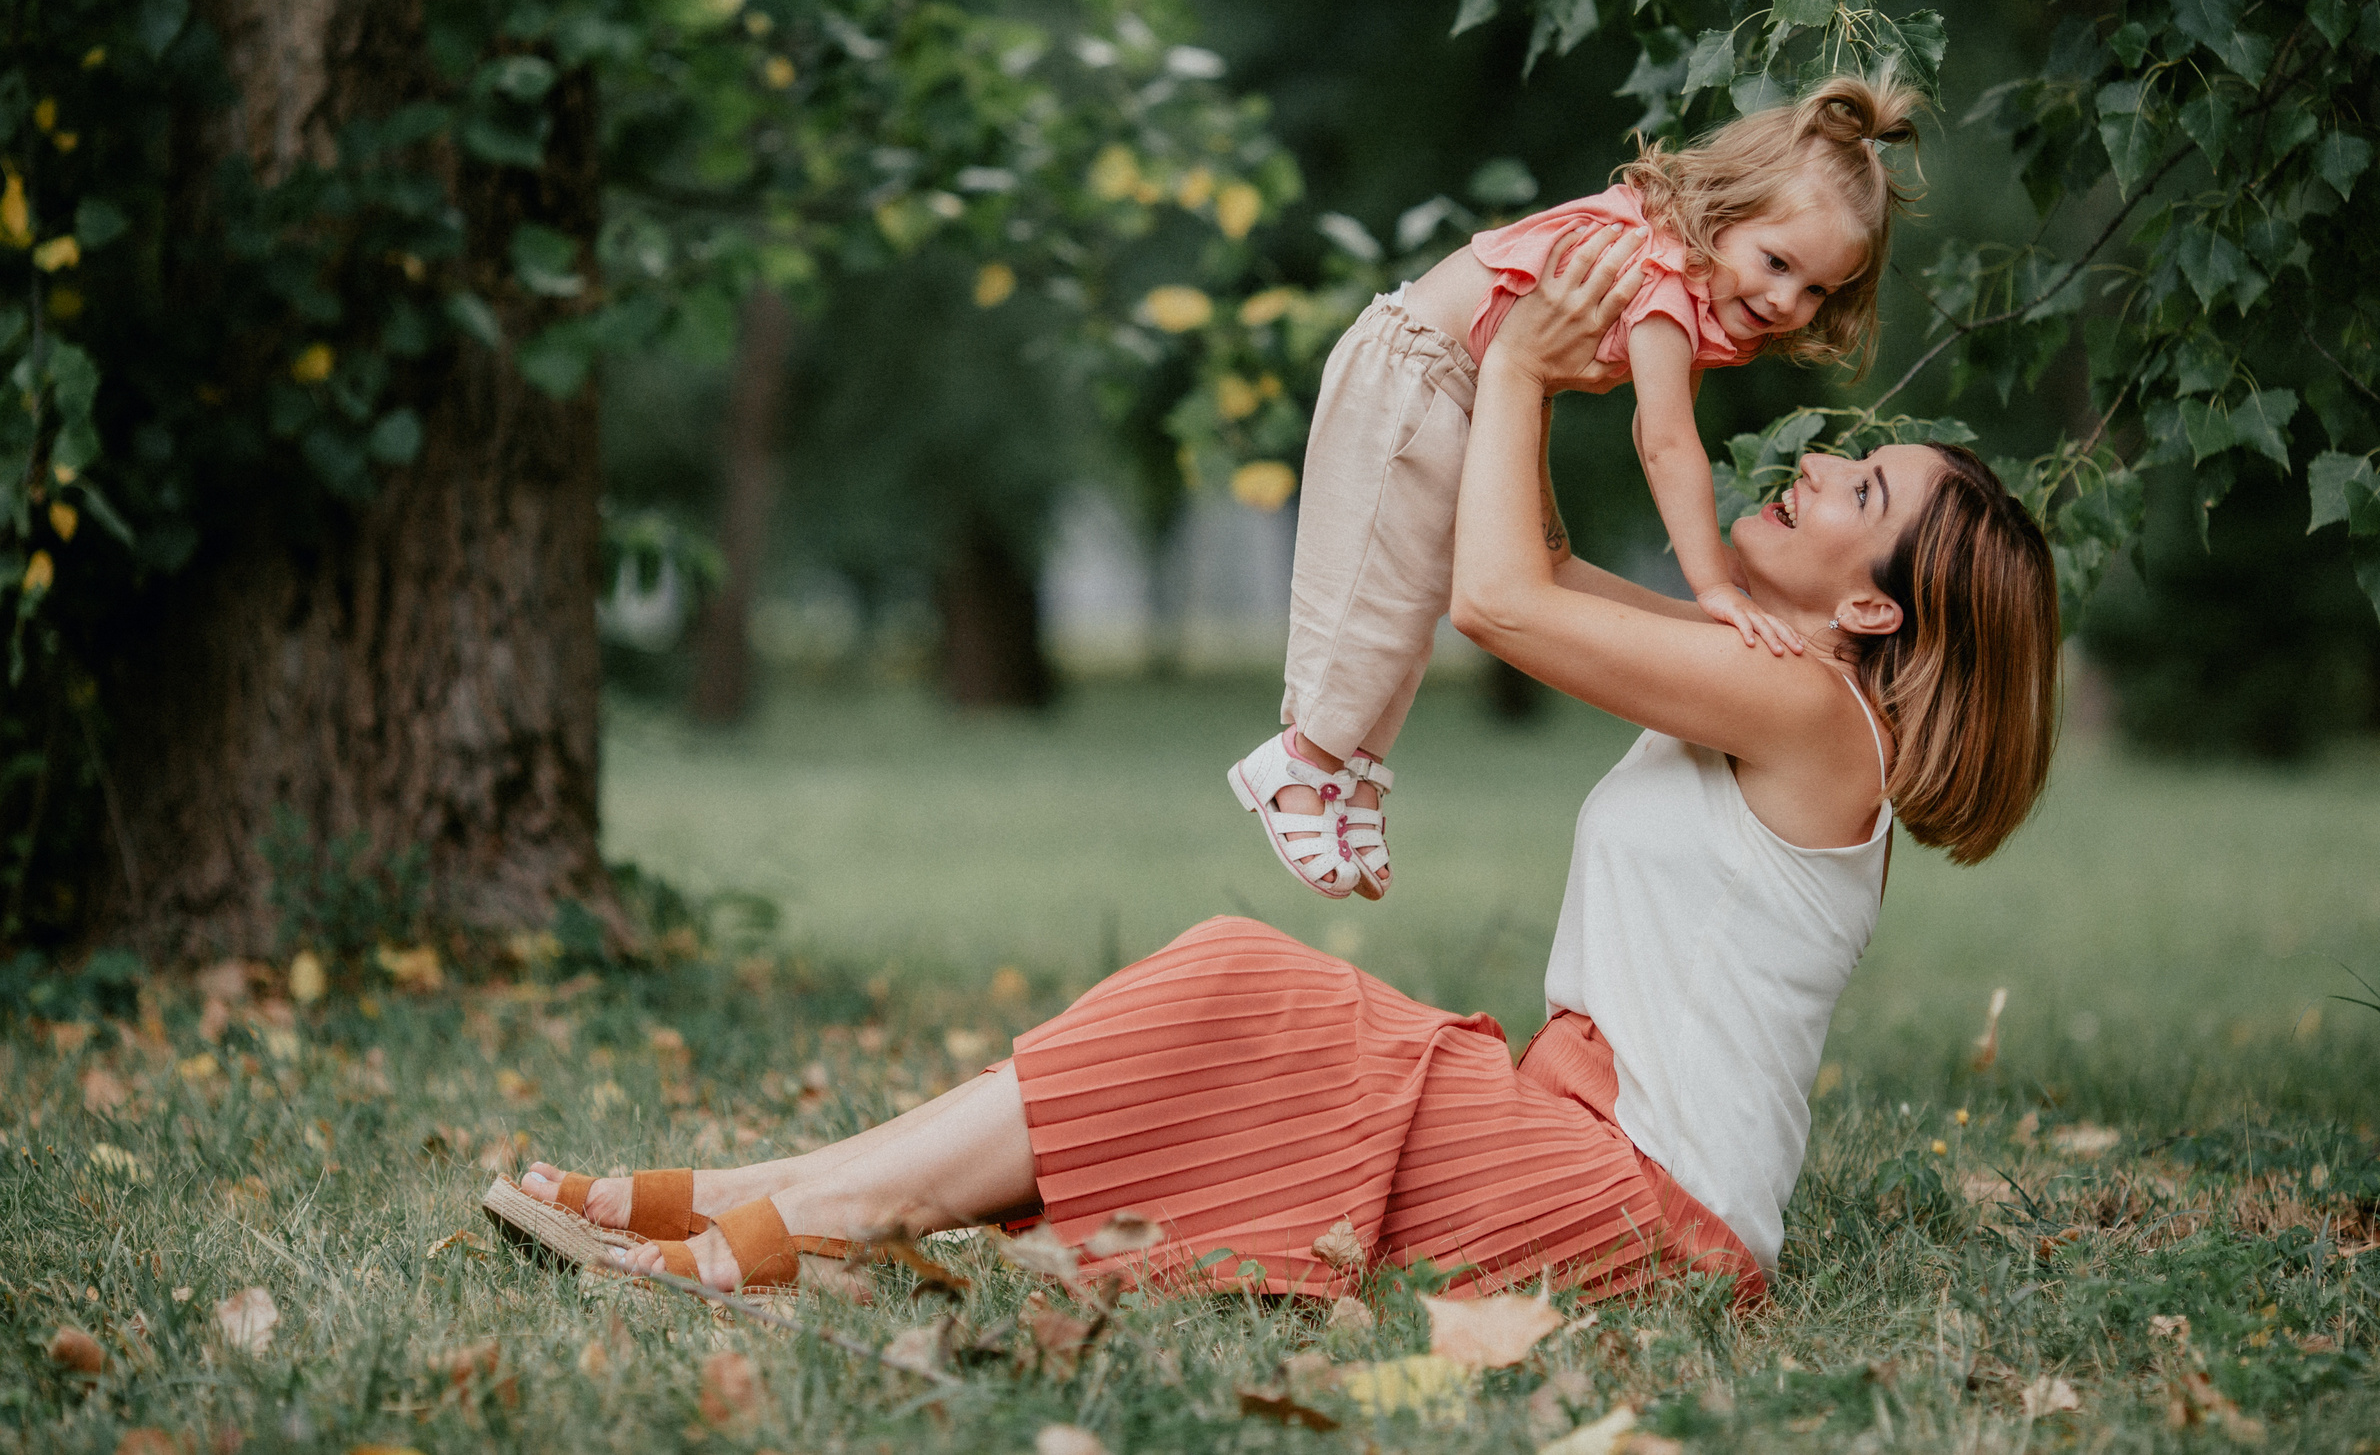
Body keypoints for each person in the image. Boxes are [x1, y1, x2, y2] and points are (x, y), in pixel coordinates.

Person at [504, 220, 2059, 1304]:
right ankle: (763, 1193)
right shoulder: (1760, 675)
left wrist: (1517, 368)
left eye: (1856, 483)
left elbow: (1497, 599)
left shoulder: (1812, 717)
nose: (1808, 466)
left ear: (1872, 601)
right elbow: (1548, 564)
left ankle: (822, 1215)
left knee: (1247, 981)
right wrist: (1480, 376)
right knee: (1216, 1000)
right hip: (1580, 1151)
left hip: (1650, 1212)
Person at [1229, 69, 1921, 901]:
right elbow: (1667, 444)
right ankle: (1301, 761)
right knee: (1369, 600)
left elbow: (1650, 430)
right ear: (1722, 214)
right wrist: (1713, 587)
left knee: (1412, 604)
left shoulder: (1691, 293)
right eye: (1777, 263)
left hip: (1461, 389)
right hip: (1415, 372)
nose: (1787, 300)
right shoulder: (1664, 283)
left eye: (1818, 289)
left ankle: (1352, 770)